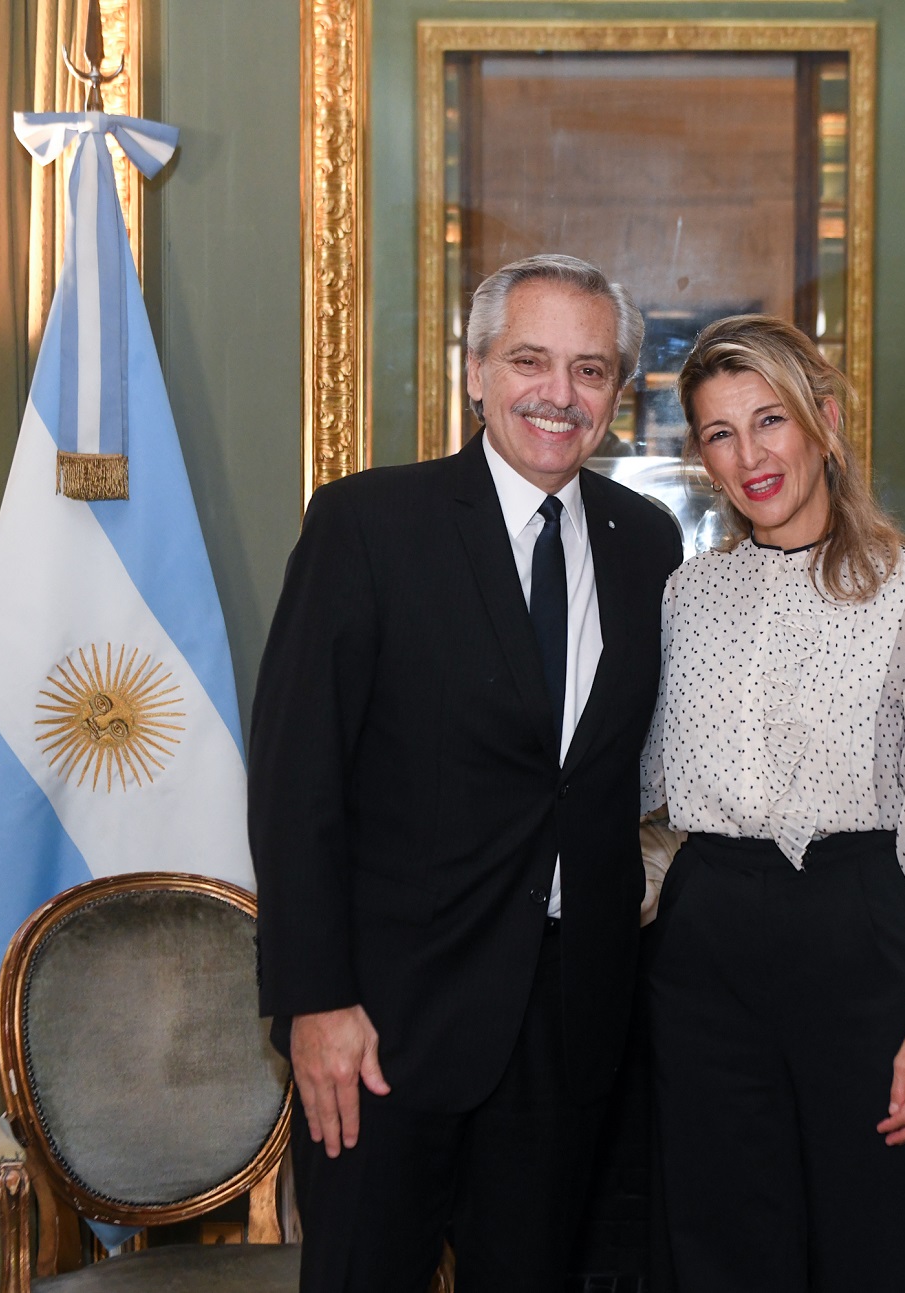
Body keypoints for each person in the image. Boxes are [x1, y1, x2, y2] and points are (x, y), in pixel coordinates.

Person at [249, 254, 683, 1292]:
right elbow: (293, 778)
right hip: (385, 1024)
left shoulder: (645, 545)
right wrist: (315, 1001)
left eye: (588, 370)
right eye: (529, 360)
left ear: (615, 397)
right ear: (476, 369)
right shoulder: (368, 525)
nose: (557, 393)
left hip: (571, 1024)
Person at [641, 314, 905, 1291]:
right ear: (702, 461)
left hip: (860, 933)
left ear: (824, 423)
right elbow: (640, 792)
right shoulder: (684, 598)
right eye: (719, 433)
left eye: (769, 421)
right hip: (705, 940)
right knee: (722, 1236)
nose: (749, 455)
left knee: (884, 1238)